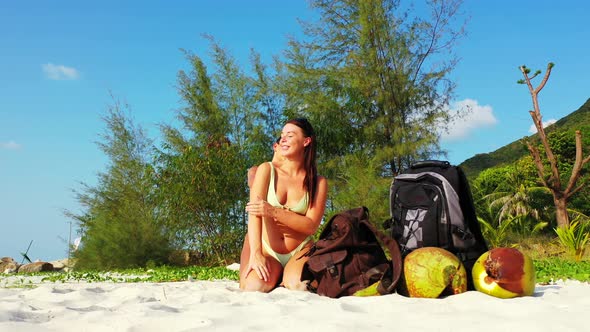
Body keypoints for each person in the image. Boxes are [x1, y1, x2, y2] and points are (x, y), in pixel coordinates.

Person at [240, 118, 328, 292]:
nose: (283, 139)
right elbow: (254, 213)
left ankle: (287, 274)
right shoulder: (266, 169)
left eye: (290, 135)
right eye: (282, 135)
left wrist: (272, 211)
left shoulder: (318, 182)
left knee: (299, 285)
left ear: (306, 141)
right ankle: (275, 273)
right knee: (253, 287)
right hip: (267, 249)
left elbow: (310, 226)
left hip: (299, 249)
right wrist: (256, 253)